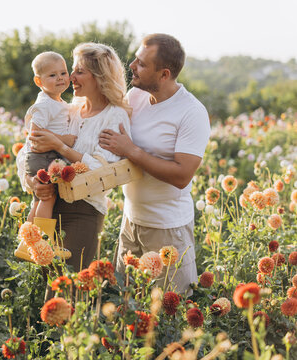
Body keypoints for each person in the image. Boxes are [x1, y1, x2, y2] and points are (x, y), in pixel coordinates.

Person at [98, 33, 211, 295]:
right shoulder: (136, 96)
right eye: (136, 59)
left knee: (169, 316)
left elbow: (182, 175)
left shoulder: (192, 112)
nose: (132, 66)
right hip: (131, 222)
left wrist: (132, 151)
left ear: (164, 74)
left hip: (167, 229)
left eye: (142, 64)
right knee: (126, 306)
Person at [16, 42, 132, 272]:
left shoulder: (115, 116)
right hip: (51, 205)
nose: (71, 77)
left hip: (84, 210)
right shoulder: (70, 110)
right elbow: (27, 150)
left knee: (66, 285)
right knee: (46, 284)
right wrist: (32, 182)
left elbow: (104, 171)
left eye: (79, 71)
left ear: (99, 77)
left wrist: (61, 146)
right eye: (73, 70)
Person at [14, 51, 76, 262]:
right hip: (43, 156)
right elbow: (35, 134)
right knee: (48, 196)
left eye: (63, 72)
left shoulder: (55, 101)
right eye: (52, 75)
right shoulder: (44, 105)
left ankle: (26, 244)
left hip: (46, 155)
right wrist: (64, 139)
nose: (60, 78)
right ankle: (42, 244)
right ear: (38, 81)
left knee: (39, 201)